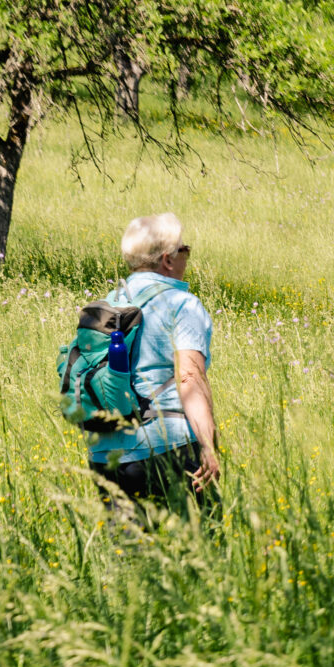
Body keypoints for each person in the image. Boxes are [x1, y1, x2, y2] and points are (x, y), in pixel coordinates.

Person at [87, 213, 223, 523]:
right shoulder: (182, 305)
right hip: (167, 449)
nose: (187, 255)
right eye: (184, 248)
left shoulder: (108, 305)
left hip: (106, 455)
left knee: (131, 550)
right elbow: (189, 377)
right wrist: (208, 446)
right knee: (202, 545)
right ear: (168, 260)